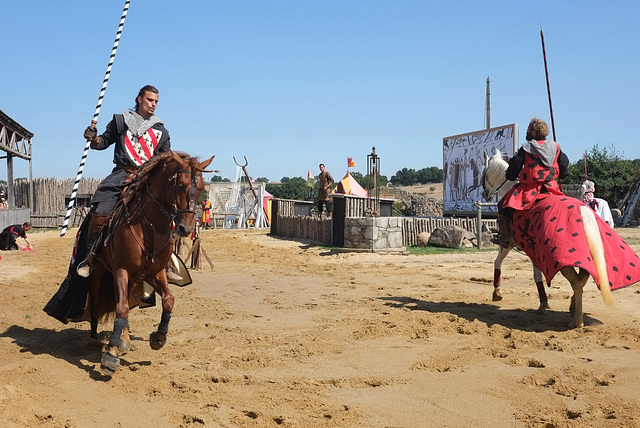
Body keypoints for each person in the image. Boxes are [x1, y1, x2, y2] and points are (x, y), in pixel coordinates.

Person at [76, 85, 171, 277]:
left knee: (168, 215)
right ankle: (91, 257)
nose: (153, 104)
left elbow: (165, 159)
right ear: (139, 99)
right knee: (100, 211)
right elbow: (102, 142)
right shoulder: (121, 121)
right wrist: (93, 139)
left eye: (156, 102)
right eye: (150, 100)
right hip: (121, 176)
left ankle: (166, 263)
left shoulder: (161, 130)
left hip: (147, 180)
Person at [496, 117, 570, 247]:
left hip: (529, 190)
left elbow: (514, 169)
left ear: (534, 132)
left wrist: (511, 175)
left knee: (502, 205)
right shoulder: (556, 147)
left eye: (528, 130)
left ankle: (505, 238)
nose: (527, 132)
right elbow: (564, 165)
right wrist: (562, 175)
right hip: (551, 188)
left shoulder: (526, 148)